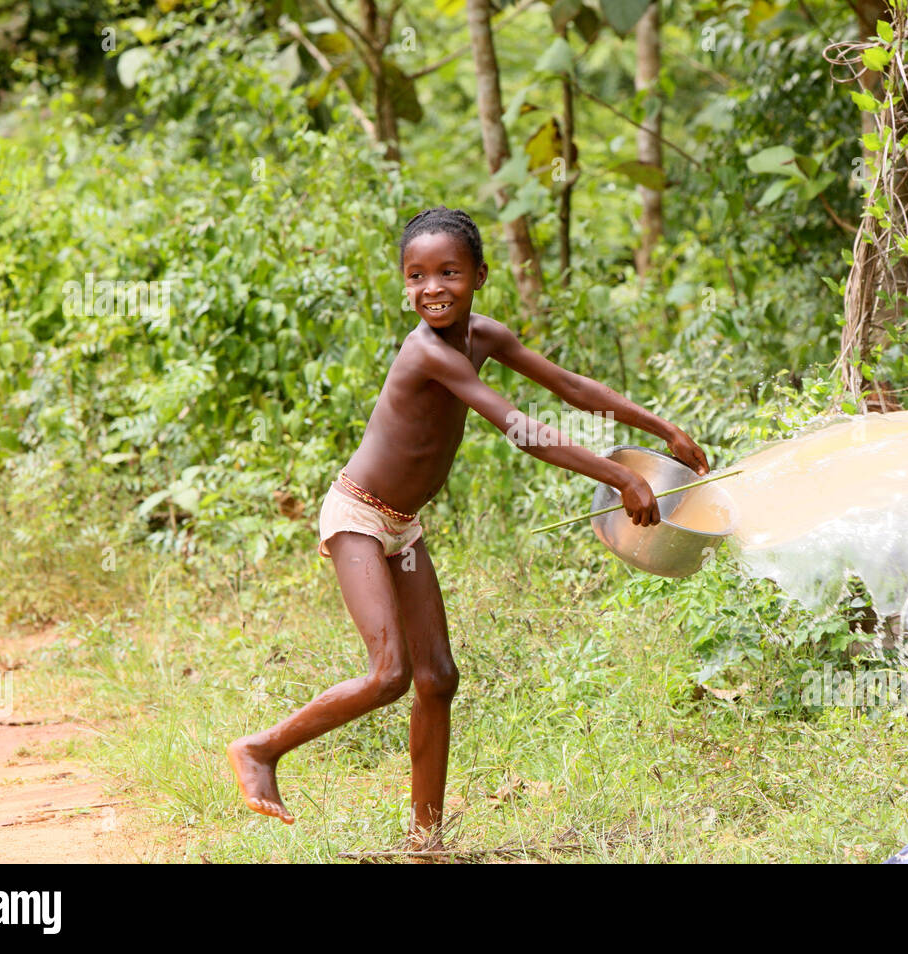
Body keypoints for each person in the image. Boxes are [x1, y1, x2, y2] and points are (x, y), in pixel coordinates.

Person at [227, 206, 709, 845]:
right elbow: (520, 428)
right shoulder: (427, 352)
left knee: (438, 679)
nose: (432, 288)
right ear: (404, 285)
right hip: (358, 516)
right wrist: (620, 475)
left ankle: (425, 841)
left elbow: (569, 386)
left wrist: (661, 428)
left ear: (479, 275)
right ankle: (261, 749)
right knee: (389, 674)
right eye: (416, 276)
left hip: (402, 526)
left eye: (448, 272)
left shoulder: (485, 336)